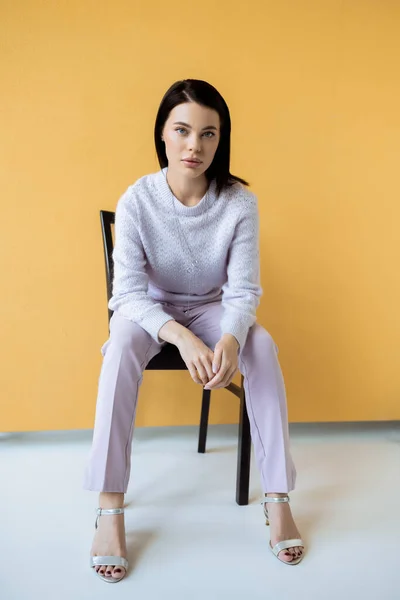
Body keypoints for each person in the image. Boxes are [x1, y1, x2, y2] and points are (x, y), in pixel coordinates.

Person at [83, 79, 305, 583]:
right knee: (119, 346)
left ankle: (278, 496)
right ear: (162, 133)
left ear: (220, 139)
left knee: (263, 345)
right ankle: (110, 507)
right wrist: (180, 337)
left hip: (212, 307)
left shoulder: (238, 202)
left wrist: (228, 337)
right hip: (150, 311)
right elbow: (127, 295)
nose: (195, 146)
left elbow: (244, 290)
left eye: (209, 134)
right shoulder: (138, 199)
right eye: (182, 131)